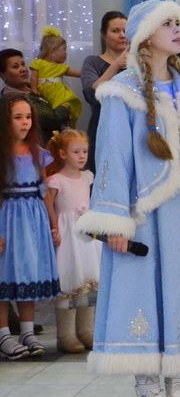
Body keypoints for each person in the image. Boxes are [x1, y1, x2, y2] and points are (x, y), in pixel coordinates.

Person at [76, 0, 180, 397]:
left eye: (179, 22)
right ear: (146, 35)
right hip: (143, 216)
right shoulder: (121, 92)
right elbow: (113, 157)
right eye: (167, 24)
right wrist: (115, 220)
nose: (177, 30)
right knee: (147, 304)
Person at [0, 94, 60, 360]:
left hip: (33, 220)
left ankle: (27, 331)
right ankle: (3, 334)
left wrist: (53, 223)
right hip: (8, 219)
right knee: (5, 276)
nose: (25, 122)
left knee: (28, 273)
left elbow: (45, 191)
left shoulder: (39, 153)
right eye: (18, 117)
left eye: (28, 117)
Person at [45, 130, 101, 353]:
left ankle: (85, 330)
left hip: (85, 235)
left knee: (85, 281)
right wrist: (54, 226)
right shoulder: (56, 180)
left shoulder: (87, 176)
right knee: (68, 279)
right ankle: (65, 334)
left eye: (84, 151)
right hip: (68, 235)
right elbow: (49, 204)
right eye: (76, 151)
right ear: (62, 154)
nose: (82, 156)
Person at [81, 11, 129, 172]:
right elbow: (91, 95)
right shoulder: (92, 62)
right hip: (103, 130)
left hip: (131, 130)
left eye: (125, 31)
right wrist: (115, 65)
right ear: (104, 34)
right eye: (115, 31)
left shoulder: (139, 63)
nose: (122, 35)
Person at [30, 26, 82, 132]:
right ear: (53, 50)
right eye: (64, 50)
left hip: (61, 97)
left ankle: (66, 125)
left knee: (61, 112)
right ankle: (61, 127)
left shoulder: (61, 67)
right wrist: (34, 89)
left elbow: (78, 73)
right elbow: (34, 77)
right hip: (46, 97)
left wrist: (89, 73)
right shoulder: (38, 63)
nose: (66, 53)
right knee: (52, 117)